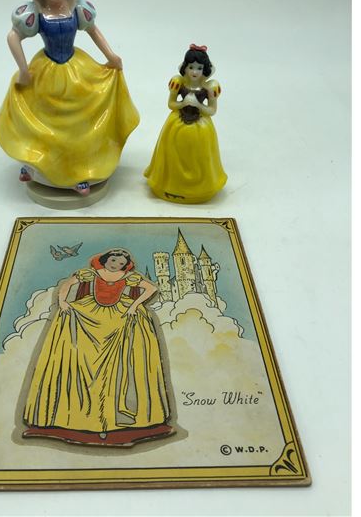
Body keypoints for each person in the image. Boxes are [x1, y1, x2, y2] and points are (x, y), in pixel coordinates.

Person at [0, 0, 139, 196]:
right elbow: (13, 37)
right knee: (41, 119)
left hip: (75, 69)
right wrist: (23, 69)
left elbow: (94, 31)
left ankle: (80, 169)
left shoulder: (77, 8)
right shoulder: (35, 12)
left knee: (78, 124)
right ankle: (36, 164)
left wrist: (111, 56)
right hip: (47, 71)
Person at [22, 249, 174, 446]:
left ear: (125, 266)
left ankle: (116, 419)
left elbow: (151, 289)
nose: (116, 265)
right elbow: (67, 285)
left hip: (119, 319)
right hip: (88, 315)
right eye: (113, 260)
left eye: (121, 263)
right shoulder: (90, 274)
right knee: (79, 359)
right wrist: (62, 302)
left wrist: (134, 305)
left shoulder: (129, 277)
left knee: (119, 366)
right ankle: (75, 419)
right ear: (105, 259)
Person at [144, 44, 227, 203]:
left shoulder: (209, 88)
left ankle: (198, 189)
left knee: (198, 156)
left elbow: (212, 110)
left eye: (199, 68)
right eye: (191, 67)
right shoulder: (179, 83)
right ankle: (170, 185)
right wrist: (183, 104)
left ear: (205, 69)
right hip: (177, 124)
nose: (195, 72)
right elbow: (171, 104)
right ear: (185, 68)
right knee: (172, 153)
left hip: (200, 127)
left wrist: (198, 105)